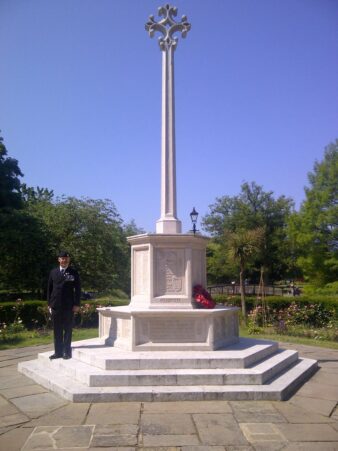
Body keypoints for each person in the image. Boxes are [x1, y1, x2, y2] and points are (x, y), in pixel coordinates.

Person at [47, 251, 81, 360]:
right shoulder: (53, 272)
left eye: (66, 258)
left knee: (67, 329)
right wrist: (49, 304)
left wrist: (76, 304)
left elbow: (78, 290)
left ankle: (66, 352)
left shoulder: (73, 272)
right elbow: (49, 289)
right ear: (59, 260)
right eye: (62, 258)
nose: (64, 260)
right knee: (57, 330)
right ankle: (58, 352)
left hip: (68, 306)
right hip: (56, 305)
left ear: (69, 260)